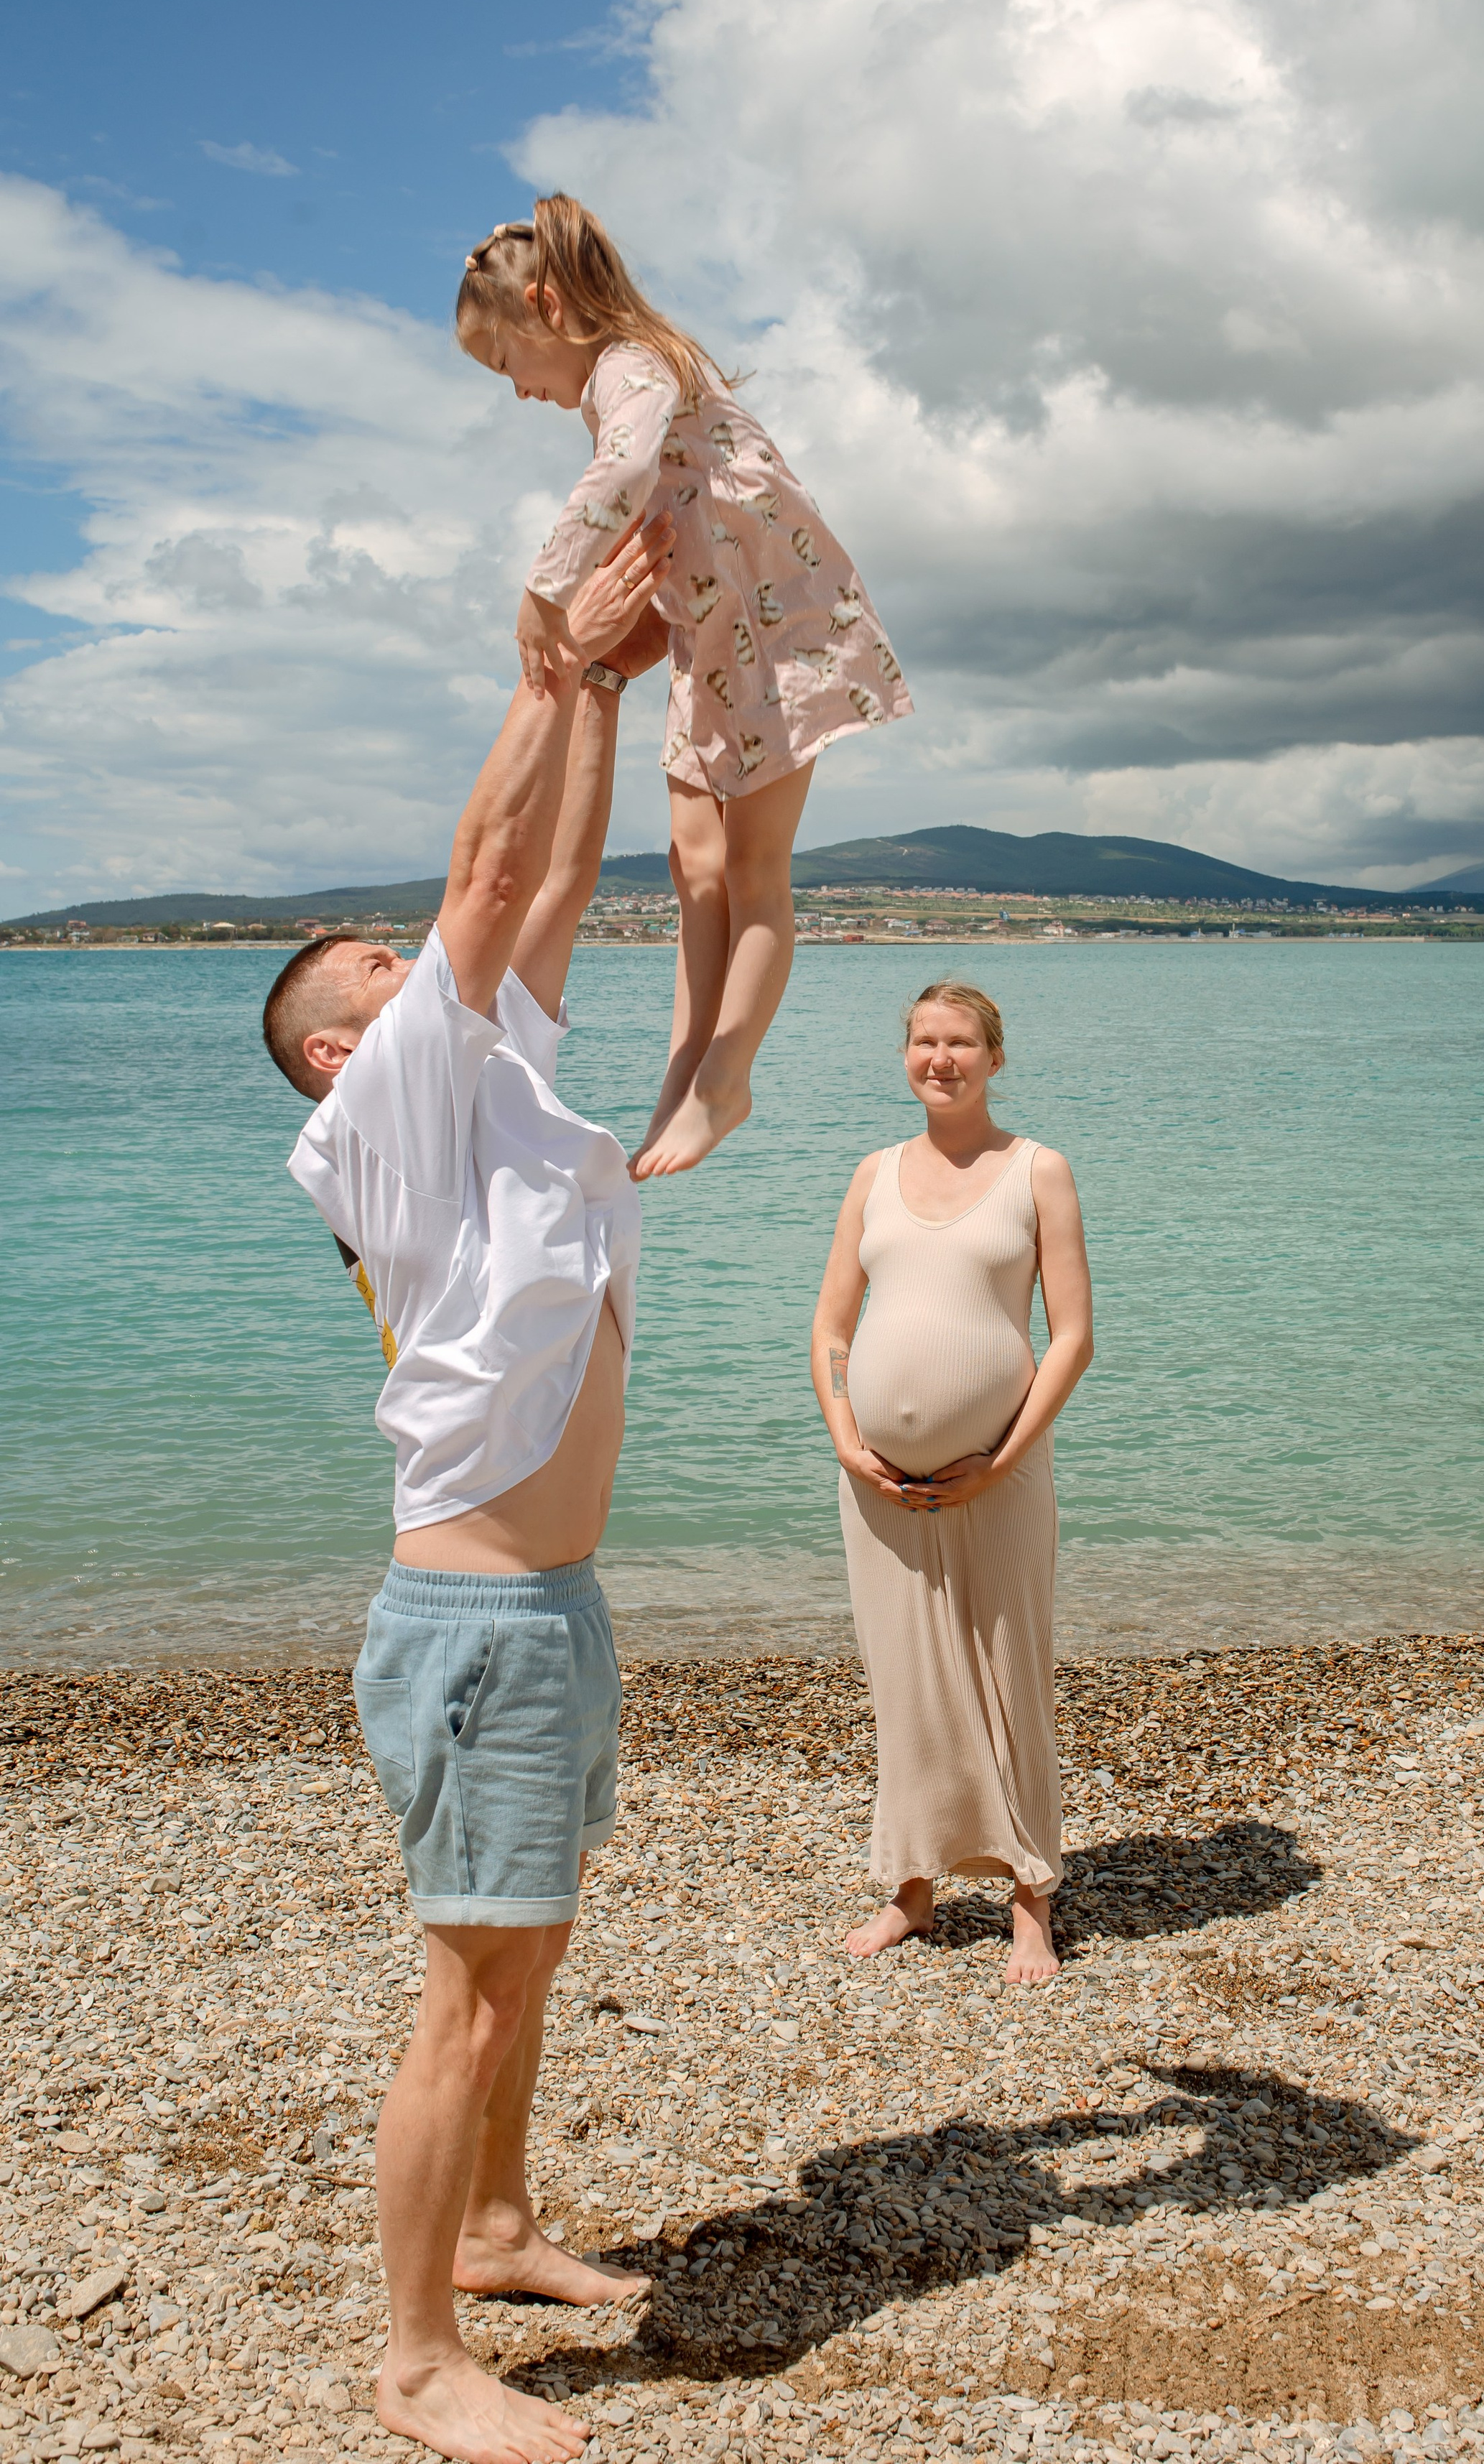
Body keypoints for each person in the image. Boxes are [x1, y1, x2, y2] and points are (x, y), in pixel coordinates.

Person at [263, 516, 672, 2464]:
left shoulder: (486, 1085)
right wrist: (548, 665)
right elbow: (488, 870)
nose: (413, 954)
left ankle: (497, 2231)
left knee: (535, 1954)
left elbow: (555, 880)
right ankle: (415, 2357)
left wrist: (604, 701)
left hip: (550, 1608)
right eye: (379, 963)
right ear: (342, 1046)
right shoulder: (380, 1114)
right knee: (474, 1993)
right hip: (478, 1624)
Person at [455, 191, 912, 1182]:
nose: (518, 392)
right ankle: (686, 1070)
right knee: (692, 868)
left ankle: (726, 1080)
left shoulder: (635, 366)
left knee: (753, 870)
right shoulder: (624, 379)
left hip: (781, 632)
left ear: (545, 308)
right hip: (710, 641)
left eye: (505, 363)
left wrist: (546, 589)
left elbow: (624, 470)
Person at [810, 980, 1095, 1986]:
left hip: (999, 1480)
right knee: (908, 1686)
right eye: (924, 1042)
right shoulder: (874, 1174)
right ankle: (913, 1888)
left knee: (1013, 1678)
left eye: (961, 1042)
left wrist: (998, 1461)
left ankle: (1030, 1898)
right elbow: (831, 1327)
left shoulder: (1038, 1171)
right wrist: (847, 1437)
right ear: (907, 1056)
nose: (941, 1059)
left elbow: (1072, 1339)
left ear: (994, 1057)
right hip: (879, 1488)